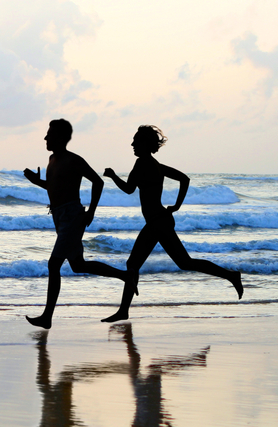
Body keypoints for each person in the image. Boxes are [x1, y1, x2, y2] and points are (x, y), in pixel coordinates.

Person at [101, 125, 243, 323]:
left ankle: (124, 311)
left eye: (135, 140)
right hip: (160, 220)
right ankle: (230, 276)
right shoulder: (156, 165)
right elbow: (183, 179)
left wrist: (113, 176)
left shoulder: (142, 164)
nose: (132, 144)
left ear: (145, 144)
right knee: (184, 263)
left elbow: (128, 189)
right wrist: (176, 206)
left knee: (136, 264)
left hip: (158, 222)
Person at [23, 119, 131, 329]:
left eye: (50, 134)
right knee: (78, 265)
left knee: (54, 264)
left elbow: (97, 181)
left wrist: (91, 211)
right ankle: (124, 276)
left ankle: (47, 317)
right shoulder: (51, 159)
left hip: (72, 215)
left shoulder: (74, 160)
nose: (45, 138)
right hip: (58, 216)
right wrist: (36, 182)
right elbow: (54, 188)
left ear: (62, 138)